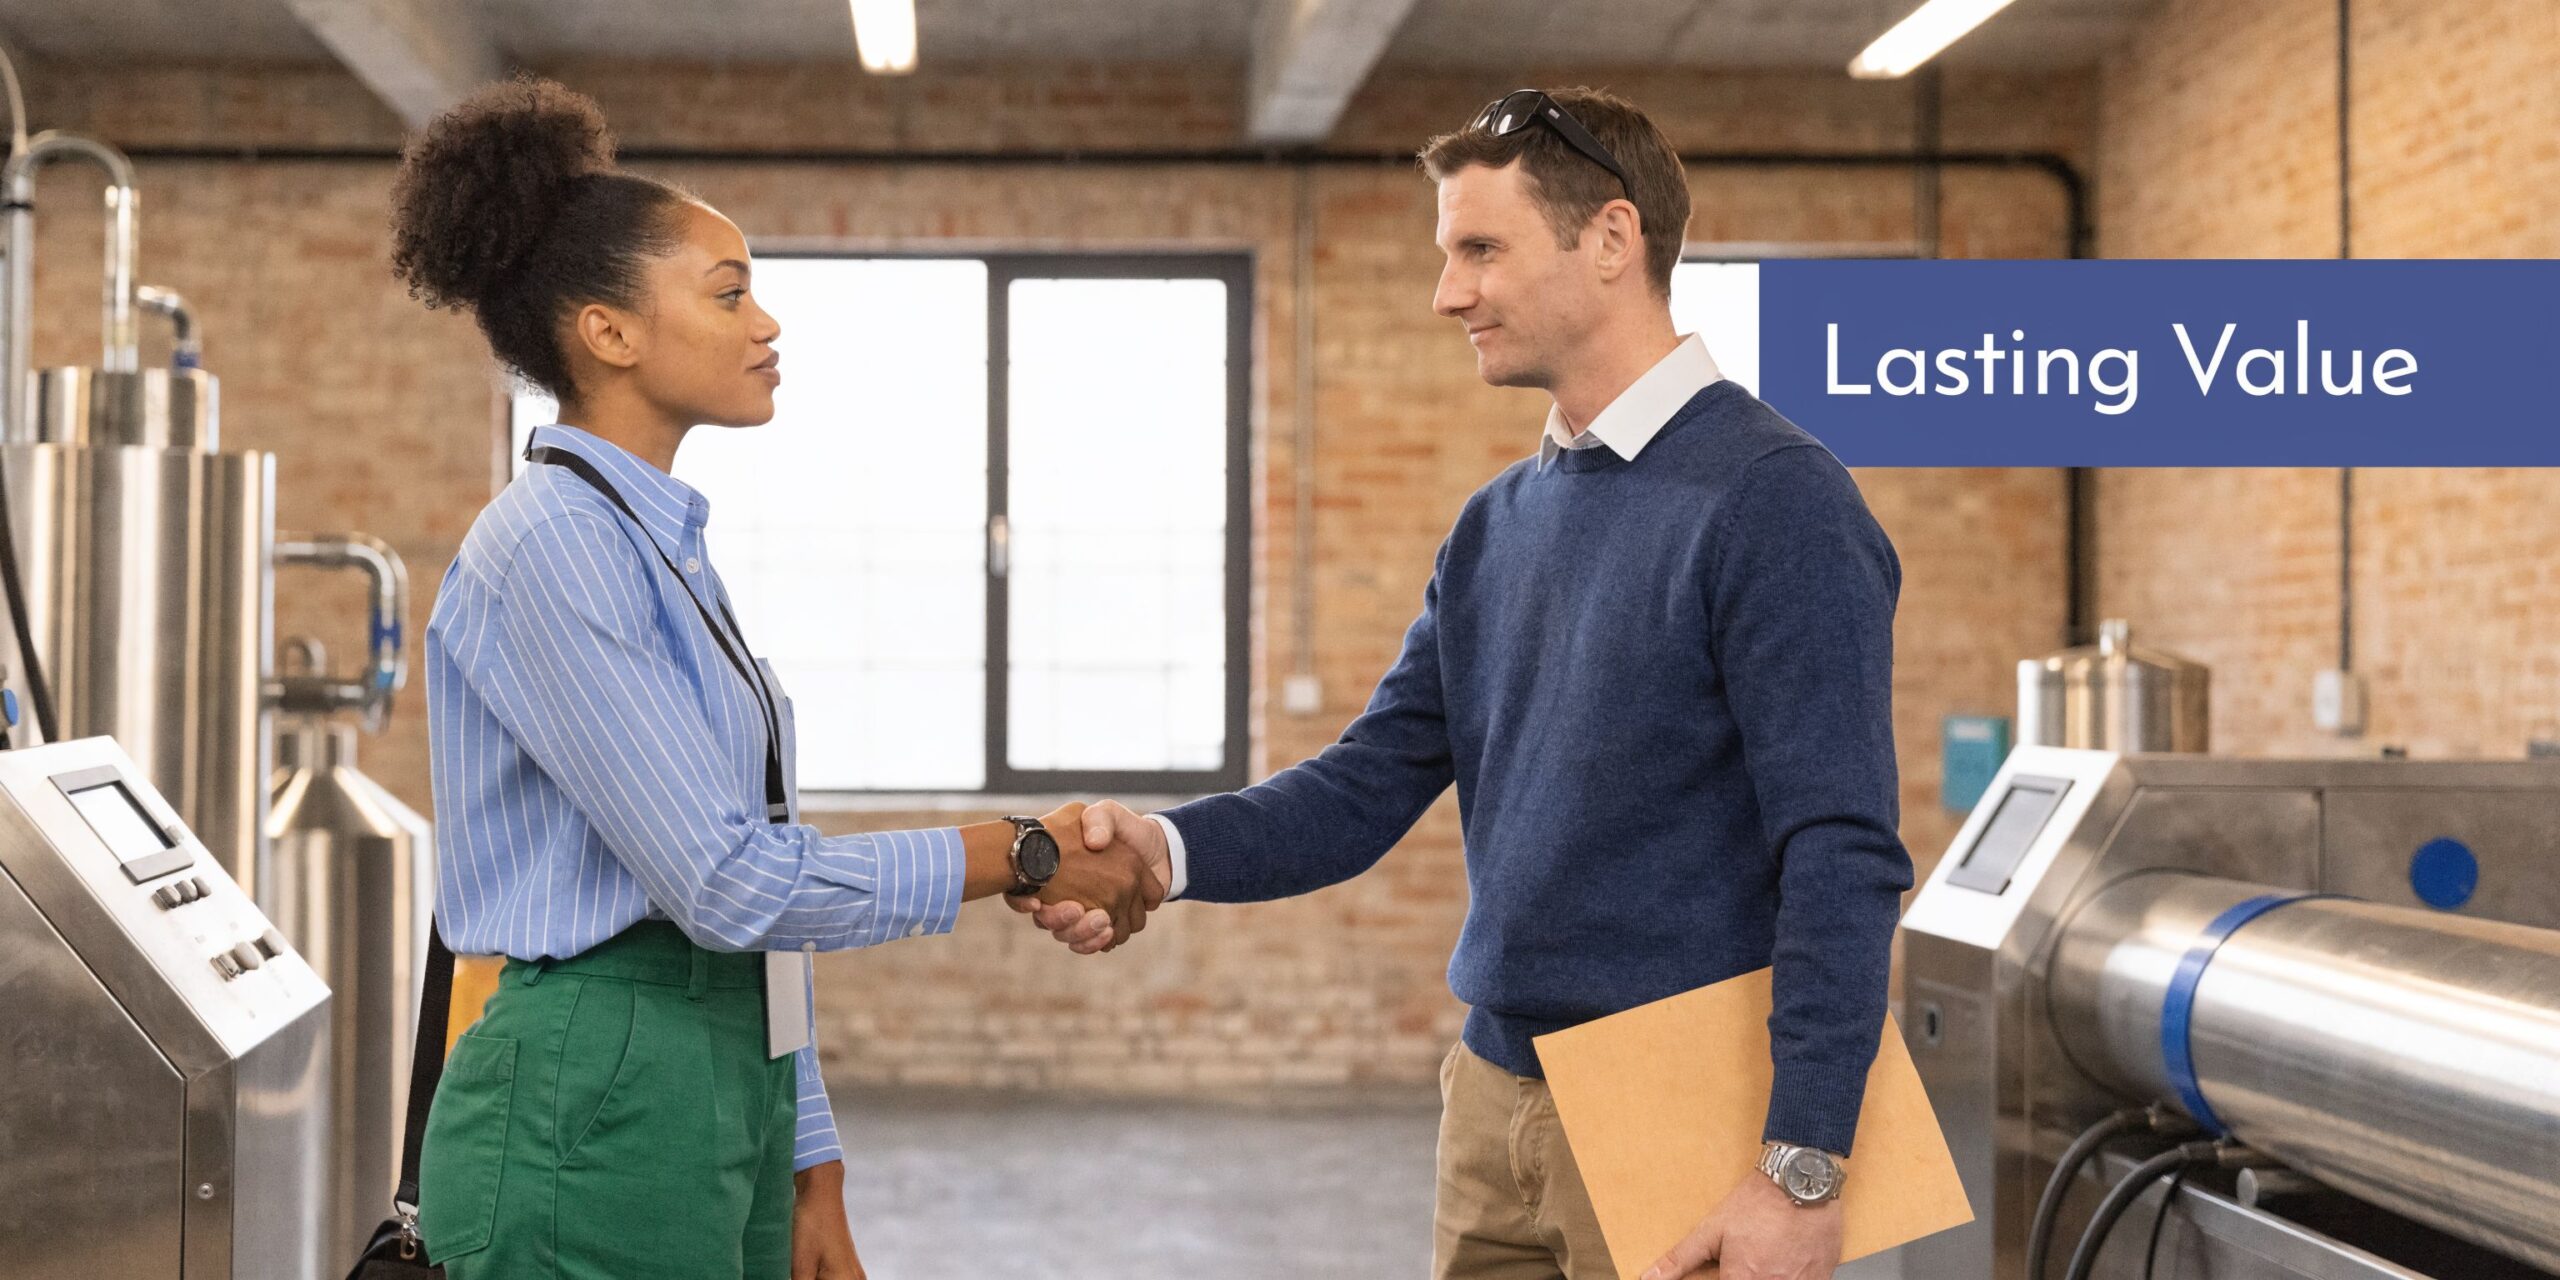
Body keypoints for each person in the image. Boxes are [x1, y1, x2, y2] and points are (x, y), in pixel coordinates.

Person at [1032, 87, 1912, 1280]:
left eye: (1479, 249)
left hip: (1684, 1107)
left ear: (1611, 239)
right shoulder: (1498, 522)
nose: (1448, 292)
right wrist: (1162, 848)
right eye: (1450, 254)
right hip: (1494, 1091)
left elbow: (1841, 852)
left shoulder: (1777, 501)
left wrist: (1805, 1164)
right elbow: (1363, 785)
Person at [391, 76, 1161, 1280]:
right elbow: (727, 883)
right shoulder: (550, 545)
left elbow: (754, 883)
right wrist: (1024, 845)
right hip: (593, 1088)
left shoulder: (660, 549)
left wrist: (812, 1165)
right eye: (729, 291)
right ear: (609, 330)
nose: (767, 323)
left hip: (717, 1072)